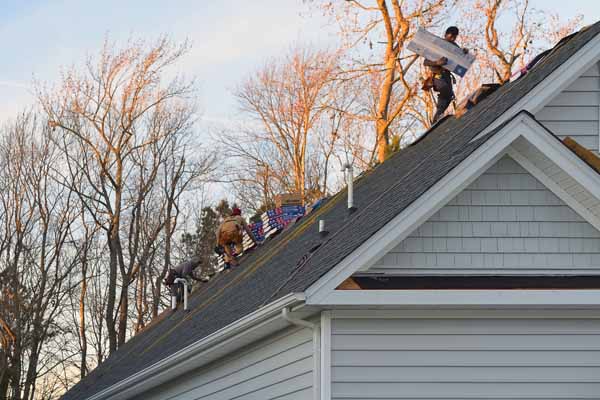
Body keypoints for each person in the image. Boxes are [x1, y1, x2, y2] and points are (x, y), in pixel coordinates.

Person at [423, 26, 468, 124]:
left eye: (454, 37)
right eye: (451, 36)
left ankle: (439, 115)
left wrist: (464, 53)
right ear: (446, 34)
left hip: (447, 75)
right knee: (444, 91)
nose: (452, 39)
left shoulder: (454, 47)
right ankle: (437, 116)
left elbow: (460, 60)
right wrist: (437, 62)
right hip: (437, 75)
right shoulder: (437, 45)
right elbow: (425, 62)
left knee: (449, 96)